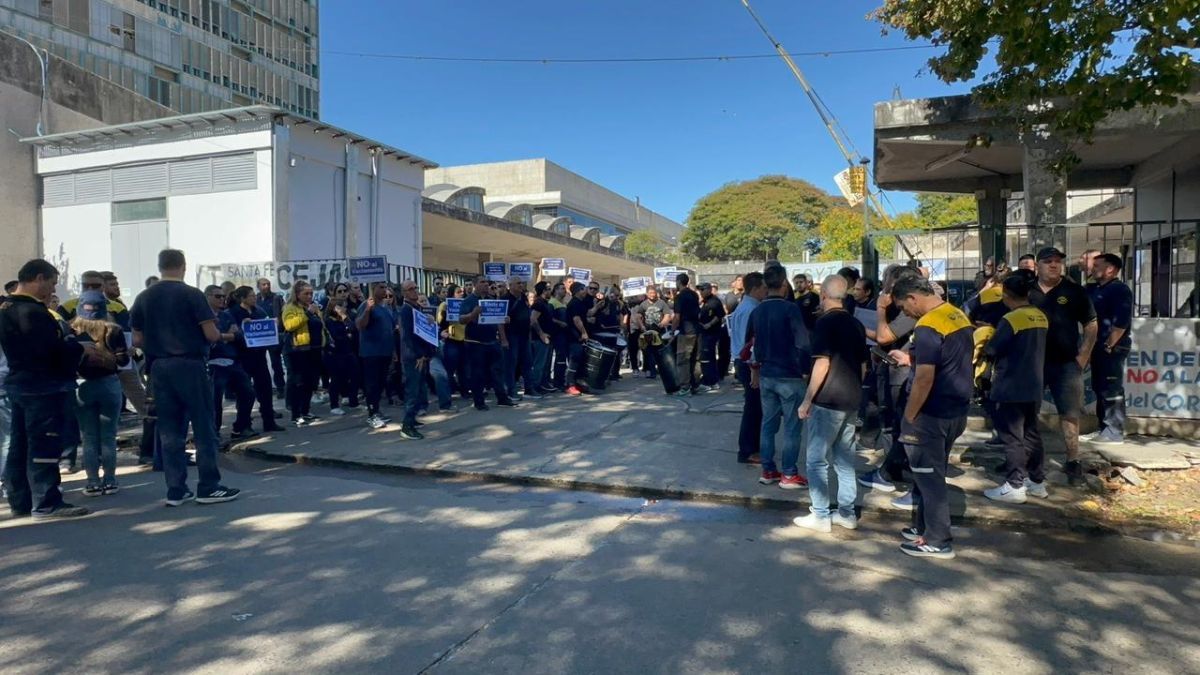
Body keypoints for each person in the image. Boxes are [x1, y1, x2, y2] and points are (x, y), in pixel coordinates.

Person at [131, 249, 239, 507]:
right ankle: (208, 486)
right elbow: (211, 334)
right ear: (183, 266)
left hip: (158, 367)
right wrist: (223, 336)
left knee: (170, 431)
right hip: (190, 364)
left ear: (160, 266)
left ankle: (176, 490)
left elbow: (136, 339)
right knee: (203, 427)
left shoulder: (144, 297)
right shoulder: (192, 294)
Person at [1, 260, 101, 518]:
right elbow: (48, 350)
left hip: (19, 383)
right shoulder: (32, 312)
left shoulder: (6, 307)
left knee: (19, 446)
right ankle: (47, 502)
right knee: (44, 444)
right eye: (52, 283)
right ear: (38, 278)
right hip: (42, 386)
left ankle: (20, 500)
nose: (53, 290)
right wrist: (79, 348)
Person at [890, 275, 974, 559]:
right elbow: (949, 359)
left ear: (913, 298)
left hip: (930, 414)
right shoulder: (956, 315)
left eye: (903, 307)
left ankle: (938, 539)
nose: (906, 313)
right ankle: (924, 526)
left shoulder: (927, 326)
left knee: (929, 478)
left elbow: (924, 378)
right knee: (932, 472)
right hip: (956, 410)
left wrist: (910, 416)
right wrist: (910, 360)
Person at [794, 275, 868, 532]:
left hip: (827, 399)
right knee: (845, 460)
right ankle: (847, 513)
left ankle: (820, 514)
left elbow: (822, 363)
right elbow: (863, 365)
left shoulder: (824, 323)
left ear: (823, 294)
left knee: (816, 460)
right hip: (851, 398)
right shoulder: (856, 324)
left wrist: (807, 399)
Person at [1031, 247, 1097, 482]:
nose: (1054, 265)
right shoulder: (1026, 290)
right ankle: (1024, 459)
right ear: (1037, 265)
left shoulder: (1074, 291)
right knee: (1026, 411)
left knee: (1069, 414)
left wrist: (1084, 355)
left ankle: (1073, 461)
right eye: (1048, 261)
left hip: (1066, 364)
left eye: (1057, 261)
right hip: (1032, 363)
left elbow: (1091, 323)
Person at [983, 272, 1050, 504]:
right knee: (1032, 433)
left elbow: (992, 349)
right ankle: (1037, 481)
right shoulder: (1040, 316)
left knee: (1012, 437)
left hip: (1010, 384)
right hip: (1034, 384)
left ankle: (1014, 485)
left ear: (1006, 295)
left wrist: (986, 335)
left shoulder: (1011, 319)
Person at [749, 265, 810, 490]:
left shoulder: (757, 311)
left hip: (767, 374)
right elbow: (803, 343)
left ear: (765, 284)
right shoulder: (790, 309)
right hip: (789, 375)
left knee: (768, 425)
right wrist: (806, 370)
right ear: (784, 283)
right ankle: (789, 473)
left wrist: (756, 369)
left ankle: (768, 470)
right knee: (792, 428)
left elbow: (752, 344)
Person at [70, 293, 129, 495]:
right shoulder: (113, 330)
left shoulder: (72, 330)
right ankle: (110, 480)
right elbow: (123, 361)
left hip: (82, 384)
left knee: (88, 436)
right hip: (109, 383)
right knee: (108, 435)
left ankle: (92, 482)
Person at [1087, 253, 1133, 444]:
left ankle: (1114, 431)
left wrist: (1109, 344)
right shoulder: (1096, 289)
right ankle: (1103, 428)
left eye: (1097, 265)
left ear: (1110, 269)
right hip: (1098, 346)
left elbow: (1121, 322)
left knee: (1111, 388)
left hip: (1112, 347)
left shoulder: (1119, 290)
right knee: (1099, 387)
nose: (1092, 268)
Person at [224, 287, 284, 433]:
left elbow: (266, 327)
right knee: (245, 393)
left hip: (259, 356)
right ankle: (244, 424)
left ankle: (269, 422)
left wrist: (272, 327)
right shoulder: (232, 313)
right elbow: (231, 333)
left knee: (265, 390)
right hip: (242, 357)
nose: (254, 298)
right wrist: (242, 326)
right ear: (242, 298)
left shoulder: (259, 311)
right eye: (251, 296)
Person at [460, 276, 516, 410]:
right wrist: (473, 314)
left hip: (492, 341)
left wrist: (504, 321)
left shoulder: (491, 301)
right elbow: (461, 319)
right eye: (482, 282)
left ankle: (502, 398)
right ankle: (479, 402)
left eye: (487, 282)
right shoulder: (468, 301)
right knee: (478, 374)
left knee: (497, 371)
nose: (486, 284)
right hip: (475, 343)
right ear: (475, 285)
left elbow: (498, 321)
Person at [728, 272, 765, 464]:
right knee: (753, 408)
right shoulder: (751, 309)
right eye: (764, 288)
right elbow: (749, 344)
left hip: (744, 362)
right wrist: (754, 369)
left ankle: (752, 447)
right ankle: (748, 450)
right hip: (748, 364)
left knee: (754, 407)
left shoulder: (745, 306)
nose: (766, 291)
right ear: (756, 288)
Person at [281, 280, 325, 428]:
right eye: (306, 294)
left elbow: (320, 325)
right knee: (297, 383)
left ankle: (305, 410)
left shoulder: (312, 307)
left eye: (311, 293)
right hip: (297, 349)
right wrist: (307, 313)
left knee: (310, 382)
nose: (309, 296)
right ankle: (296, 414)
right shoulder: (290, 308)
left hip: (314, 349)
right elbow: (289, 325)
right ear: (297, 294)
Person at [355, 282, 397, 429]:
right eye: (381, 287)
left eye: (385, 287)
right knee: (372, 384)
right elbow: (360, 325)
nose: (384, 290)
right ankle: (372, 414)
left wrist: (393, 351)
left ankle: (377, 410)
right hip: (371, 352)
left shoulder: (386, 307)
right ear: (373, 289)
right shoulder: (366, 305)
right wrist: (368, 310)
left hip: (385, 351)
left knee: (380, 384)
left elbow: (390, 329)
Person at [395, 280, 430, 440]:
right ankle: (407, 426)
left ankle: (412, 419)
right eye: (410, 289)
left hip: (421, 355)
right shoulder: (406, 311)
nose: (414, 291)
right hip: (413, 357)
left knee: (420, 388)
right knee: (413, 391)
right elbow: (407, 336)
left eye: (416, 288)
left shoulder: (416, 308)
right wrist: (418, 355)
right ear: (404, 293)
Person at [322, 285, 360, 415]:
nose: (344, 309)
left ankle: (353, 401)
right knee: (336, 379)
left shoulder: (344, 319)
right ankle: (334, 405)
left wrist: (345, 320)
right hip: (335, 354)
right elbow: (337, 336)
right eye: (342, 307)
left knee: (354, 375)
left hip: (348, 352)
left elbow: (353, 328)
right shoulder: (330, 321)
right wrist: (346, 334)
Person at [503, 277, 540, 400]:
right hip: (511, 336)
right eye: (518, 283)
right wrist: (504, 339)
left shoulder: (523, 297)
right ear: (510, 286)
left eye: (522, 283)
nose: (521, 285)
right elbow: (500, 322)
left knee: (527, 363)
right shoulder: (505, 299)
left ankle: (529, 389)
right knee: (511, 364)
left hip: (524, 336)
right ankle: (511, 391)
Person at [672, 273, 703, 396]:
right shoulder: (694, 294)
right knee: (695, 359)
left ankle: (685, 387)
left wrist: (672, 330)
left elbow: (677, 316)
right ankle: (695, 385)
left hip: (686, 331)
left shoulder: (679, 297)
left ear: (679, 282)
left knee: (683, 359)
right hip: (697, 329)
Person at [256, 278, 287, 398]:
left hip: (274, 336)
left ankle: (280, 388)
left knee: (276, 363)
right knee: (260, 364)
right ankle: (262, 389)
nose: (266, 286)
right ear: (258, 286)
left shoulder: (276, 298)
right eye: (263, 284)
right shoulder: (255, 299)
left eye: (268, 284)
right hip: (259, 337)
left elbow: (284, 312)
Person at [634, 286, 672, 379]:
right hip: (648, 331)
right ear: (647, 294)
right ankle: (652, 372)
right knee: (650, 352)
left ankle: (662, 370)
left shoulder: (661, 303)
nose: (652, 295)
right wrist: (642, 326)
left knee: (660, 351)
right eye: (650, 293)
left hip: (660, 331)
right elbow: (638, 317)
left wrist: (663, 323)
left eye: (654, 293)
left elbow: (667, 315)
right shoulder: (643, 304)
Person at [564, 282, 593, 397]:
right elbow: (576, 320)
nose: (585, 291)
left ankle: (578, 383)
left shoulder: (581, 303)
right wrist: (584, 332)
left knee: (580, 360)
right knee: (574, 360)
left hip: (579, 337)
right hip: (574, 336)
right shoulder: (574, 303)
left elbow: (587, 314)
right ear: (577, 291)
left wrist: (598, 306)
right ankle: (569, 384)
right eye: (583, 289)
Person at [697, 282, 726, 391]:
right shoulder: (705, 301)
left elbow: (720, 315)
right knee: (709, 357)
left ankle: (709, 381)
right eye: (700, 290)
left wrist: (709, 324)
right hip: (705, 333)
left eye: (702, 289)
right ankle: (712, 379)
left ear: (709, 290)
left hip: (710, 333)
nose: (701, 292)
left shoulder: (714, 301)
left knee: (707, 358)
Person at [529, 281, 556, 394]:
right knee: (539, 364)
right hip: (539, 339)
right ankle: (534, 387)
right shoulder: (539, 303)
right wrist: (541, 334)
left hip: (546, 338)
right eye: (548, 289)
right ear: (543, 291)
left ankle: (541, 384)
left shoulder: (545, 303)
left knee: (543, 364)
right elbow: (533, 319)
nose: (551, 291)